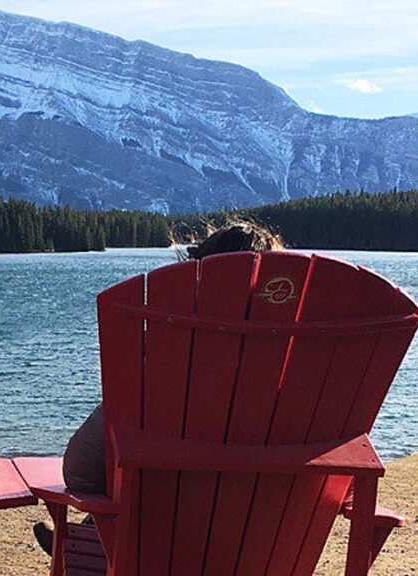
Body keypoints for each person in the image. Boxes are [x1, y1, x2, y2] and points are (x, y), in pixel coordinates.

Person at [33, 219, 285, 555]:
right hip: (261, 547)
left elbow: (81, 470)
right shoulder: (304, 376)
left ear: (197, 281)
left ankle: (90, 542)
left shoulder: (165, 365)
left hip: (160, 551)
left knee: (151, 479)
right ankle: (90, 536)